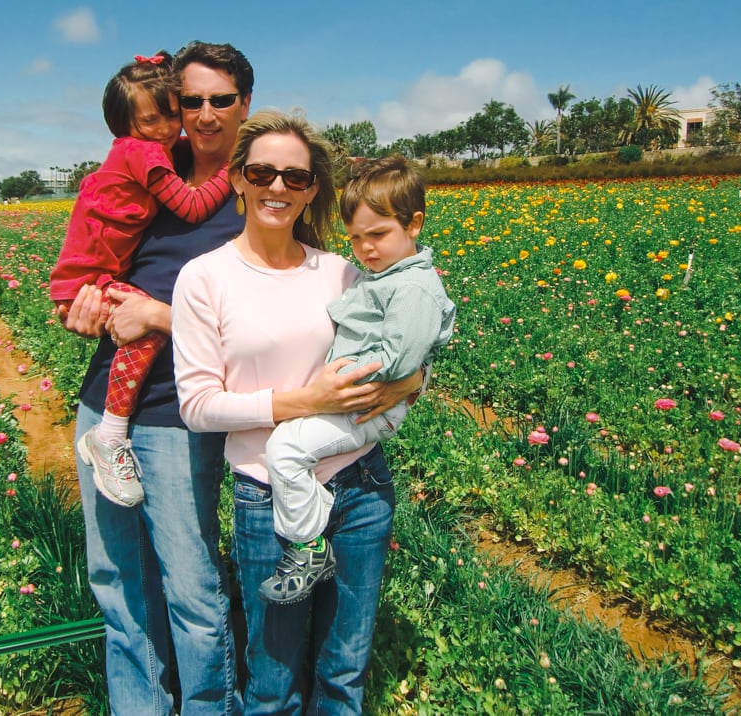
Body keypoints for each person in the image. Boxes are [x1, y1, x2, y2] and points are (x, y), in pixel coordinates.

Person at [172, 110, 424, 715]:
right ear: (237, 178)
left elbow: (406, 339)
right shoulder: (204, 279)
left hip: (360, 481)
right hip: (267, 496)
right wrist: (305, 402)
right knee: (273, 677)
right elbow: (198, 406)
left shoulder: (340, 271)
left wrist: (413, 379)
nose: (277, 187)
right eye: (262, 172)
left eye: (295, 176)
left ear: (313, 190)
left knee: (345, 668)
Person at [56, 41, 252, 716]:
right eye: (186, 101)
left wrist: (158, 315)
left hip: (176, 412)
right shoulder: (146, 174)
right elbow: (94, 256)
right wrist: (86, 305)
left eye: (216, 100)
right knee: (116, 579)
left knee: (191, 586)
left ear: (243, 105)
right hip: (104, 402)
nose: (198, 115)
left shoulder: (260, 193)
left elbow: (269, 321)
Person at [259, 156, 455, 604]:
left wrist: (327, 390)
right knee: (290, 447)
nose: (366, 249)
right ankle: (316, 527)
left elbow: (397, 361)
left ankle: (310, 545)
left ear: (415, 224)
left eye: (379, 234)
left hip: (368, 405)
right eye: (356, 238)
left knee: (284, 450)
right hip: (358, 401)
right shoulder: (385, 277)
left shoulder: (412, 289)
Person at [49, 52, 231, 507]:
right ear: (127, 126)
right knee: (145, 328)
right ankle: (109, 434)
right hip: (92, 281)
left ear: (245, 104)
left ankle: (110, 433)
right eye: (155, 119)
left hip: (180, 404)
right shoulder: (145, 155)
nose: (170, 126)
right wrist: (233, 170)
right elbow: (190, 206)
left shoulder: (158, 153)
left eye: (172, 112)